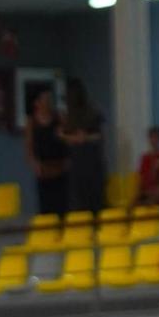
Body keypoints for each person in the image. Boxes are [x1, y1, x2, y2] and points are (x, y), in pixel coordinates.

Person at [61, 78, 108, 216]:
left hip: (89, 161)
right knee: (82, 201)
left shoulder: (91, 112)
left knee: (89, 200)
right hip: (80, 162)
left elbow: (98, 136)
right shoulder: (70, 115)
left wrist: (82, 138)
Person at [24, 88, 70, 218]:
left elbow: (67, 138)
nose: (48, 103)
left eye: (49, 100)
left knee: (62, 204)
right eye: (45, 99)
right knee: (46, 205)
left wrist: (68, 160)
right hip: (43, 168)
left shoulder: (58, 117)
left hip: (60, 166)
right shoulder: (32, 121)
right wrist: (34, 163)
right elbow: (29, 145)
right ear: (37, 103)